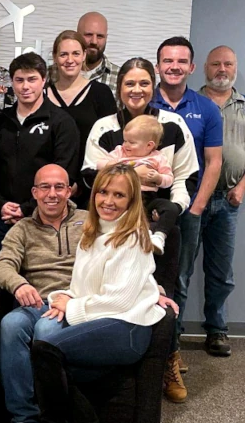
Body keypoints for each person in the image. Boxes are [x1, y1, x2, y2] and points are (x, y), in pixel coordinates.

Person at [13, 164, 171, 423]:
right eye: (103, 192)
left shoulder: (134, 238)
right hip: (101, 322)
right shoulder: (92, 233)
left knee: (45, 349)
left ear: (132, 201)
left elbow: (121, 300)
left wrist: (71, 308)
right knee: (52, 363)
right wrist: (65, 296)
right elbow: (81, 286)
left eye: (119, 195)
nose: (108, 201)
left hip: (128, 328)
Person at [82, 56, 200, 402]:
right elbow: (89, 175)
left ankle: (168, 359)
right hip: (115, 222)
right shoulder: (105, 128)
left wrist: (171, 211)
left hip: (158, 220)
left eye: (143, 83)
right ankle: (118, 361)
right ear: (120, 88)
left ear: (154, 85)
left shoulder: (173, 125)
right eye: (129, 83)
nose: (137, 89)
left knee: (165, 289)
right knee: (117, 288)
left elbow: (184, 176)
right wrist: (133, 174)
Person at [0, 164, 87, 423]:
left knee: (47, 331)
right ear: (34, 193)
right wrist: (19, 283)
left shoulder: (89, 222)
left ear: (69, 190)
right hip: (36, 301)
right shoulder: (21, 228)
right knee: (10, 324)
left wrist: (73, 297)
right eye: (44, 187)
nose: (52, 193)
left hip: (75, 303)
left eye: (59, 186)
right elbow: (2, 265)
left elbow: (108, 264)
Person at [151, 37, 224, 385]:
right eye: (167, 60)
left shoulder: (206, 108)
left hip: (187, 210)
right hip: (148, 211)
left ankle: (171, 351)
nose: (174, 66)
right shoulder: (144, 102)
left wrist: (194, 209)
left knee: (177, 281)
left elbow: (214, 162)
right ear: (158, 65)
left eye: (181, 61)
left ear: (192, 67)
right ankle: (146, 354)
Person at [0, 52, 80, 266]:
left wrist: (27, 208)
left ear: (44, 80)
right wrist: (0, 204)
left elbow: (66, 171)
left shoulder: (61, 122)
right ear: (12, 82)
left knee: (38, 284)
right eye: (19, 80)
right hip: (2, 219)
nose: (25, 86)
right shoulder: (1, 122)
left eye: (32, 79)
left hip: (43, 220)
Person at [196, 46, 245, 357]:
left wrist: (242, 187)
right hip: (193, 198)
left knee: (221, 272)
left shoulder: (243, 106)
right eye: (216, 64)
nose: (222, 69)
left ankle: (217, 330)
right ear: (205, 67)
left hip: (228, 200)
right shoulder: (192, 103)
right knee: (180, 269)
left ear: (236, 67)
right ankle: (170, 335)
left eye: (228, 64)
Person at [47, 30, 117, 203]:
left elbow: (111, 144)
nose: (70, 60)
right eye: (63, 54)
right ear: (55, 57)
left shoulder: (101, 94)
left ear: (84, 55)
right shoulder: (42, 95)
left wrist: (82, 183)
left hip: (91, 190)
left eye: (76, 53)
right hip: (49, 192)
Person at [96, 115, 178, 252]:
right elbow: (99, 164)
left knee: (171, 208)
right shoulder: (120, 152)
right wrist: (124, 166)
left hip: (148, 198)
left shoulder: (157, 157)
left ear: (149, 145)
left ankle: (159, 237)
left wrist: (158, 178)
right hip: (125, 197)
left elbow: (169, 179)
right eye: (125, 140)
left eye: (132, 142)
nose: (126, 145)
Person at [77, 12, 120, 89]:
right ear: (77, 35)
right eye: (88, 35)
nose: (94, 41)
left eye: (100, 36)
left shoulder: (119, 77)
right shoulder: (55, 74)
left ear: (106, 38)